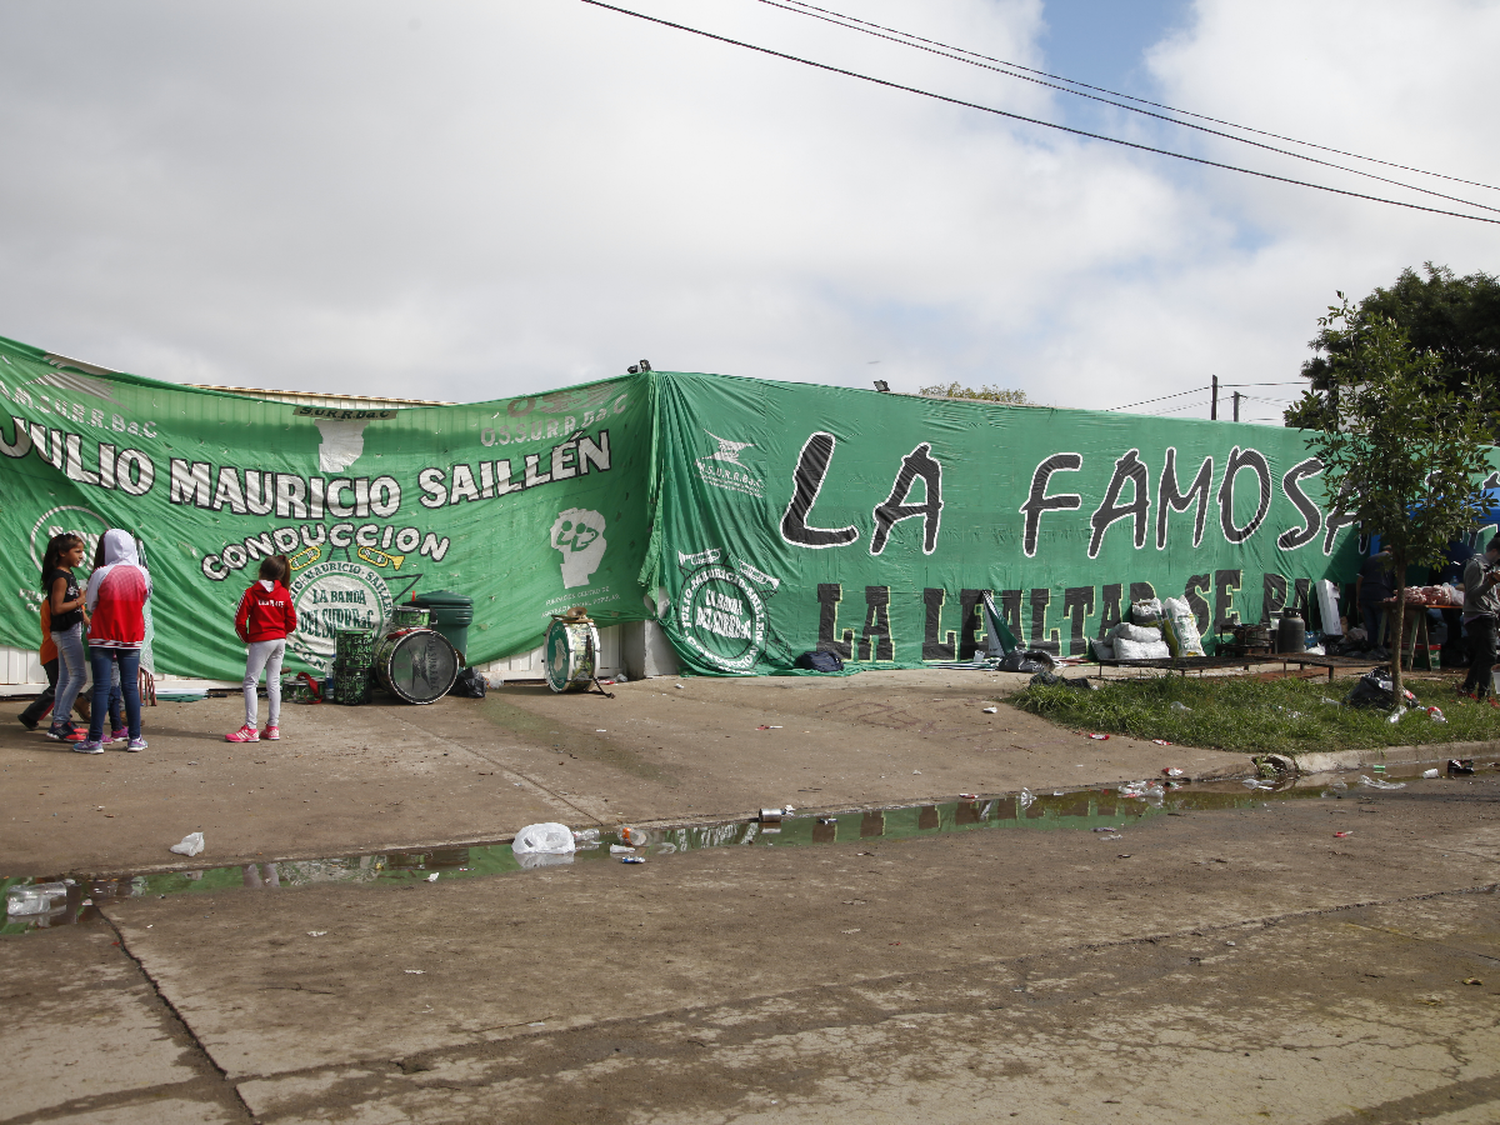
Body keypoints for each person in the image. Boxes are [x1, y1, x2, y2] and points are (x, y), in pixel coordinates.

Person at [80, 529, 151, 752]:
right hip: (131, 634)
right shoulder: (142, 573)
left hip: (102, 634)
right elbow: (143, 599)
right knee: (129, 686)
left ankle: (94, 740)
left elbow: (91, 604)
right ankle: (135, 739)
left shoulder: (101, 573)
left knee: (101, 686)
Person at [227, 554, 297, 743]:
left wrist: (248, 638)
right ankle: (273, 727)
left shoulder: (251, 592)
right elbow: (292, 622)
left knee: (250, 683)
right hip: (279, 641)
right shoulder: (284, 593)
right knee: (274, 682)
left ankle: (251, 729)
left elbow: (239, 621)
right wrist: (280, 632)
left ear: (261, 571)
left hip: (261, 641)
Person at [41, 532, 90, 746]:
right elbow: (57, 608)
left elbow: (78, 607)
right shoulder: (60, 577)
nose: (82, 555)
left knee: (65, 678)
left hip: (70, 630)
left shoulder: (68, 574)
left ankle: (60, 722)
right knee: (78, 677)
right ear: (62, 553)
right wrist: (81, 599)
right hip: (65, 632)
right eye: (77, 551)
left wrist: (87, 620)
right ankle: (60, 723)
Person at [1460, 537, 1500, 702]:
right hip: (1478, 616)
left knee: (1484, 655)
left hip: (1488, 615)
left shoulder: (1489, 567)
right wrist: (1490, 583)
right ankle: (1484, 694)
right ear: (1494, 552)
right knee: (1489, 656)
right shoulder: (1476, 566)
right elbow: (1472, 595)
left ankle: (1468, 687)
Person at [1355, 549, 1393, 650]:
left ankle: (1371, 651)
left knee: (1371, 626)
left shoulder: (1370, 559)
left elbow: (1359, 581)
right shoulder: (1392, 561)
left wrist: (1359, 598)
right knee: (1383, 626)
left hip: (1365, 595)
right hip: (1381, 595)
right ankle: (1381, 650)